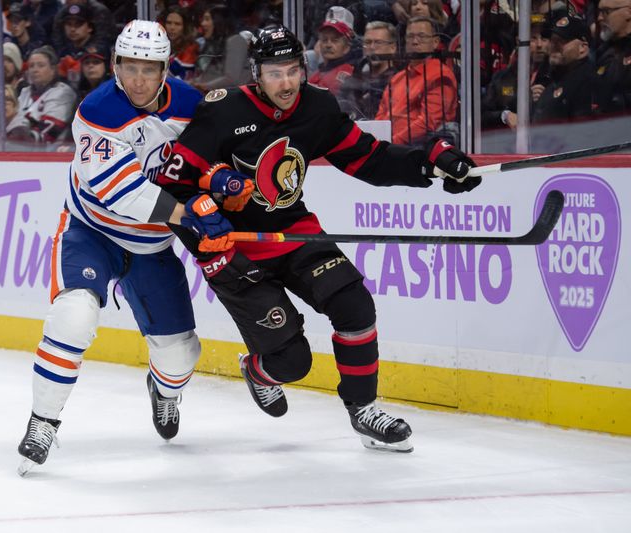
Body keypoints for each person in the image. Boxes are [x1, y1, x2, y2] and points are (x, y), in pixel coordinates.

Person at [156, 25, 480, 453]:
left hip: (295, 232)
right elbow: (170, 185)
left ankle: (364, 412)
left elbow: (368, 158)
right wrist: (203, 232)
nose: (287, 83)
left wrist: (428, 167)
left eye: (293, 71)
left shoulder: (318, 107)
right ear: (256, 73)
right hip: (235, 249)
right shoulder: (223, 112)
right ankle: (260, 371)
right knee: (292, 363)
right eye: (274, 73)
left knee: (356, 307)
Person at [16, 20, 205, 475]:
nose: (139, 79)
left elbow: (218, 155)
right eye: (130, 67)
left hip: (152, 244)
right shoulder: (98, 110)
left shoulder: (193, 106)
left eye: (150, 69)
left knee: (181, 354)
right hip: (91, 232)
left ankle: (164, 390)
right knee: (74, 314)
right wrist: (188, 215)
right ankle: (43, 421)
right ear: (117, 66)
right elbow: (122, 192)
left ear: (166, 69)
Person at [375, 16, 459, 145]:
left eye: (422, 36)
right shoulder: (398, 78)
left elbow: (428, 122)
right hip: (389, 148)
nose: (414, 41)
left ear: (435, 42)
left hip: (418, 151)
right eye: (410, 36)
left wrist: (390, 143)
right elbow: (381, 116)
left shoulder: (440, 75)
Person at [482, 14, 552, 130]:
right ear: (518, 41)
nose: (540, 45)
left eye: (544, 38)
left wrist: (547, 100)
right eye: (533, 38)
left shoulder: (558, 76)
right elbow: (482, 115)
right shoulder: (502, 78)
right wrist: (505, 115)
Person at [532, 14, 598, 124]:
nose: (554, 45)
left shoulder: (588, 82)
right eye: (553, 40)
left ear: (582, 48)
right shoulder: (550, 79)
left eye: (562, 41)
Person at [15, 46, 78, 146]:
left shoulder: (63, 93)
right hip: (20, 149)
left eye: (41, 65)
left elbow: (48, 134)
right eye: (31, 66)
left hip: (51, 155)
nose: (35, 70)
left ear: (53, 69)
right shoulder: (25, 92)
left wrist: (17, 133)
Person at [337, 21, 399, 120]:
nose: (372, 47)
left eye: (378, 42)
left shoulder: (400, 81)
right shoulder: (353, 81)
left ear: (393, 47)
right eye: (368, 42)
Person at [307, 6, 359, 97]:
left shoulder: (347, 76)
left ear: (347, 47)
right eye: (324, 40)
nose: (328, 45)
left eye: (335, 40)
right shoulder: (316, 73)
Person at [596, 0, 631, 115]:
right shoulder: (603, 53)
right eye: (599, 12)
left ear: (628, 12)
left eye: (606, 11)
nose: (599, 18)